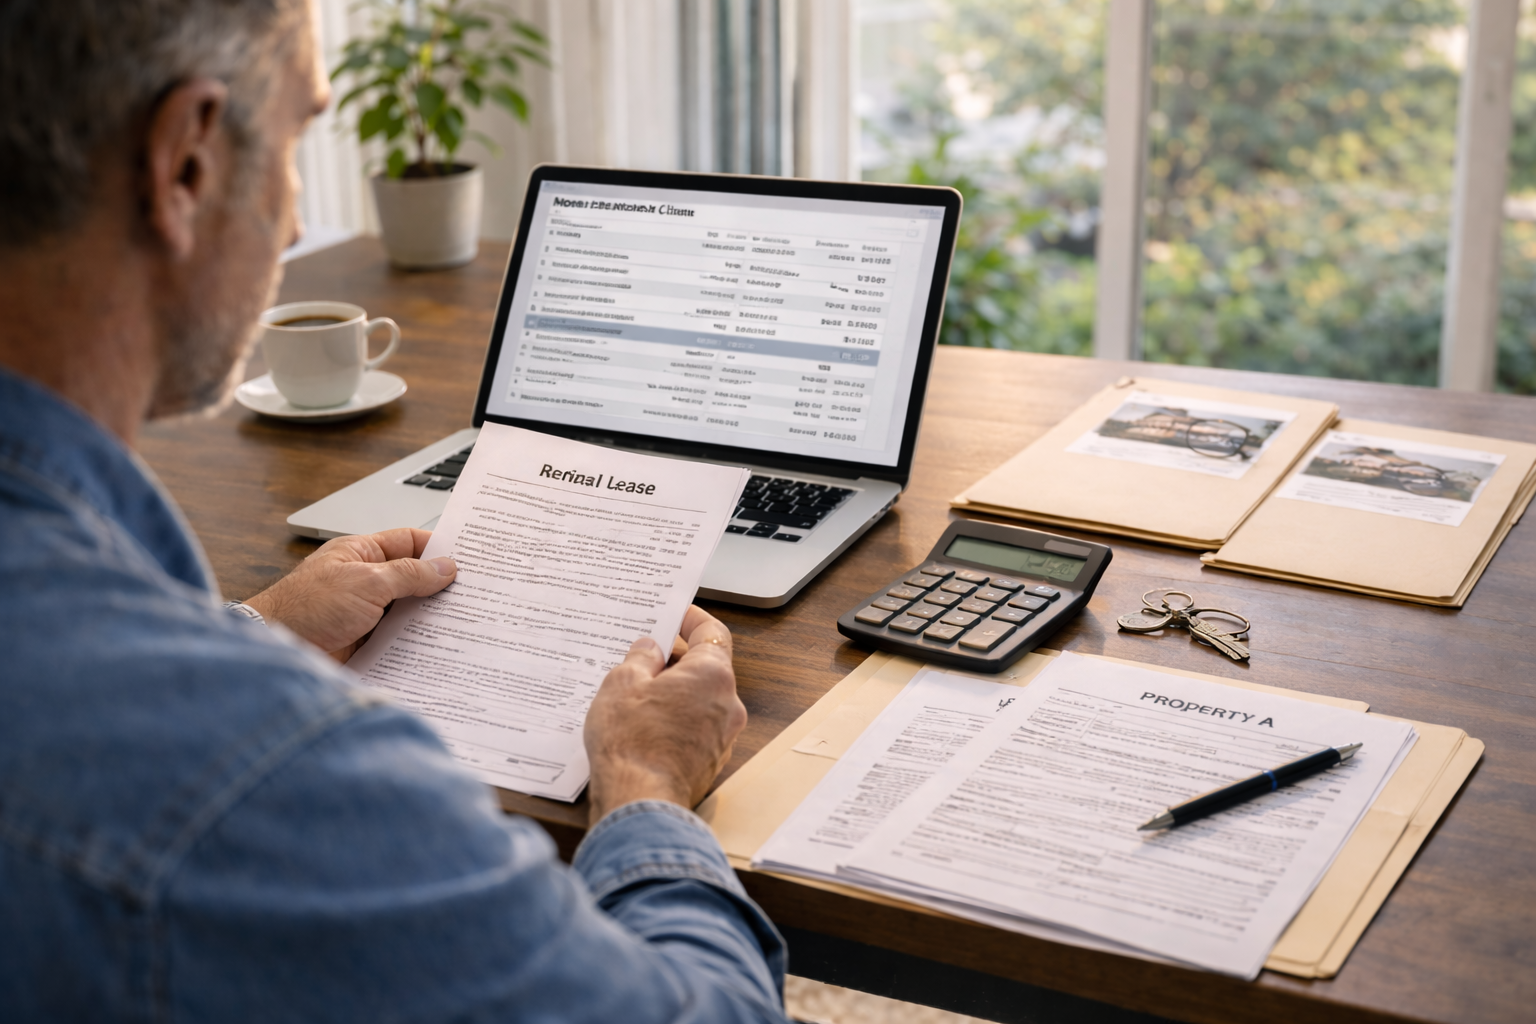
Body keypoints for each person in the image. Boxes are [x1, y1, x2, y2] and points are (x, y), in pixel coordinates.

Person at [0, 1, 788, 1020]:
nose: (294, 222)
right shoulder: (266, 775)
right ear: (185, 163)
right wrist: (644, 784)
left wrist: (256, 629)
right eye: (298, 138)